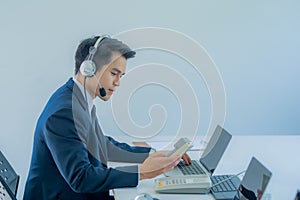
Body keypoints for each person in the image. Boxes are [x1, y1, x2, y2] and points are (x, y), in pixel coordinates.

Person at [24, 35, 191, 200]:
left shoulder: (78, 99)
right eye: (114, 73)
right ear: (88, 68)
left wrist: (153, 154)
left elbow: (102, 145)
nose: (118, 82)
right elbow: (81, 178)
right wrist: (142, 172)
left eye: (121, 76)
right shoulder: (64, 113)